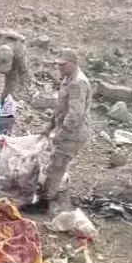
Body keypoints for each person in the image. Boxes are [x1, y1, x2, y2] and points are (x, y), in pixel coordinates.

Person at [40, 49, 92, 204]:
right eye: (58, 64)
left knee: (57, 165)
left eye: (63, 65)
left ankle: (46, 202)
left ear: (72, 64)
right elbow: (61, 108)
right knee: (55, 163)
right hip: (67, 130)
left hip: (74, 133)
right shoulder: (67, 79)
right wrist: (50, 125)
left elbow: (75, 114)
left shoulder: (78, 83)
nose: (59, 67)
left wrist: (61, 133)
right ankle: (51, 194)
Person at [0, 29, 29, 100]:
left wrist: (22, 92)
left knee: (10, 91)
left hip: (13, 67)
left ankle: (5, 103)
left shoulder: (19, 55)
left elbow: (24, 73)